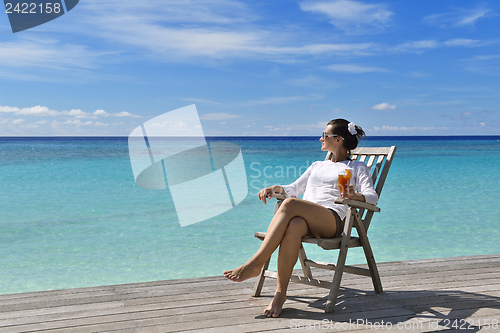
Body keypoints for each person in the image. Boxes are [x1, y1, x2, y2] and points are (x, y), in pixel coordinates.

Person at [223, 119, 378, 318]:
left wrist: (356, 196)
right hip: (307, 221)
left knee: (289, 204)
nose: (320, 138)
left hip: (332, 221)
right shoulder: (316, 165)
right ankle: (280, 294)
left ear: (338, 140)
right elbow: (294, 189)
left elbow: (371, 196)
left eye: (325, 135)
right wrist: (275, 188)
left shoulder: (357, 167)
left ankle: (255, 263)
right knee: (294, 224)